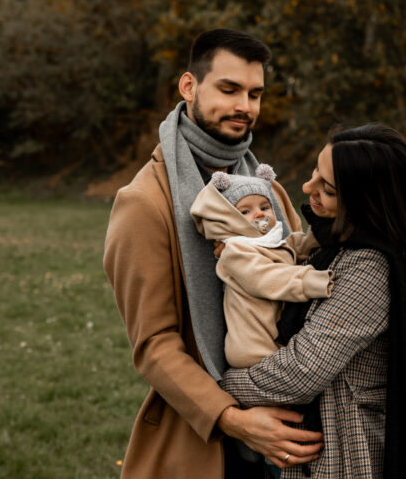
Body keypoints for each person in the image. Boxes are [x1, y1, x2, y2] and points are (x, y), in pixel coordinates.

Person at [103, 29, 323, 479]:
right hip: (205, 439)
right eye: (229, 89)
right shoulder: (144, 203)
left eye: (255, 93)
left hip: (287, 426)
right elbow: (155, 346)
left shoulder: (267, 190)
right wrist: (237, 421)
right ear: (189, 87)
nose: (245, 105)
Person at [220, 123, 406, 478]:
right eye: (316, 171)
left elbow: (300, 371)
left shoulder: (368, 267)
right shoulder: (333, 243)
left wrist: (219, 388)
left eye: (327, 189)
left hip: (344, 457)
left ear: (365, 203)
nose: (306, 187)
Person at [189, 164, 333, 369]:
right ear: (228, 218)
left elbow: (291, 247)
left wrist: (315, 239)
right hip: (251, 346)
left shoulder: (268, 242)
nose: (259, 215)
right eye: (246, 211)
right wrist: (309, 280)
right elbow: (265, 278)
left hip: (273, 337)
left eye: (264, 207)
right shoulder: (235, 251)